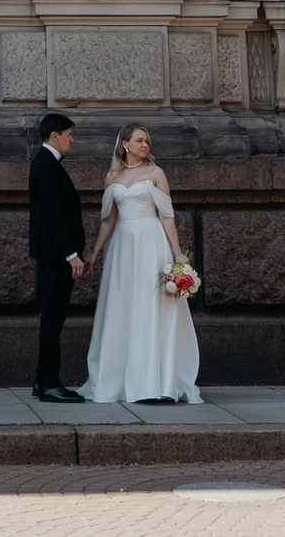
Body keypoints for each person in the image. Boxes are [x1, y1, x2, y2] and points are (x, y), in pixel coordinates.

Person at [78, 123, 201, 405]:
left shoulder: (156, 173)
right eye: (139, 140)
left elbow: (166, 215)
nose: (145, 145)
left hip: (151, 243)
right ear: (125, 144)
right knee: (123, 306)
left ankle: (155, 381)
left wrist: (178, 253)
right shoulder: (113, 176)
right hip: (123, 245)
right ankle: (121, 379)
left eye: (147, 141)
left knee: (151, 306)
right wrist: (95, 252)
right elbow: (109, 219)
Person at [27, 111, 87, 402]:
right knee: (53, 319)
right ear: (55, 136)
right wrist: (71, 255)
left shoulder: (47, 163)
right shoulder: (46, 165)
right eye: (68, 134)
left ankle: (42, 380)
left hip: (55, 256)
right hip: (57, 257)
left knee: (53, 317)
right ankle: (50, 383)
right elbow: (53, 216)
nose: (71, 140)